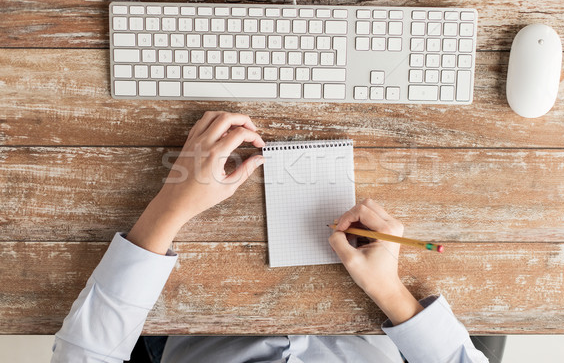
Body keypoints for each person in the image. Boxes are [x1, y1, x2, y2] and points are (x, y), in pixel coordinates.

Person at [51, 111, 488, 363]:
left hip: (201, 315)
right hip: (369, 317)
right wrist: (391, 291)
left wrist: (172, 206)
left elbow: (84, 356)